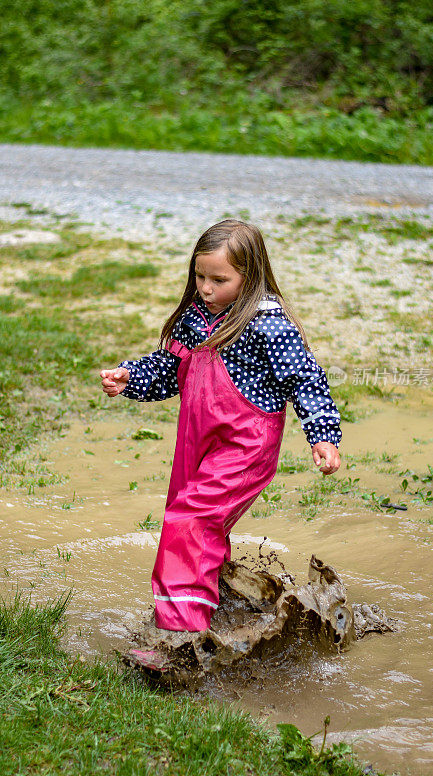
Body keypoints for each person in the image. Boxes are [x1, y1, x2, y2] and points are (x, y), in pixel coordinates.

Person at [100, 219, 341, 636]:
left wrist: (322, 435)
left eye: (219, 279)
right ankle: (221, 607)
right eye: (199, 276)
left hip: (245, 447)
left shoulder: (269, 325)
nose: (206, 288)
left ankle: (180, 637)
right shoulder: (195, 319)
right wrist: (130, 378)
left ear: (250, 279)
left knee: (188, 521)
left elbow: (304, 379)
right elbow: (168, 368)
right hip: (196, 443)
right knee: (196, 525)